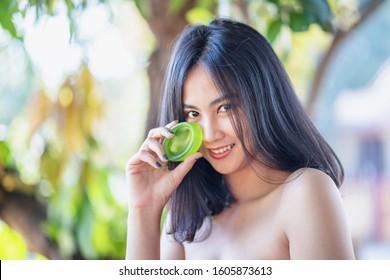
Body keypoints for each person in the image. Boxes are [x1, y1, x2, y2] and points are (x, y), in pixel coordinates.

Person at [125, 18, 355, 260]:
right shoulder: (186, 223)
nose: (211, 134)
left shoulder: (305, 193)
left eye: (225, 107)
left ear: (263, 97)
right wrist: (144, 210)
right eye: (193, 114)